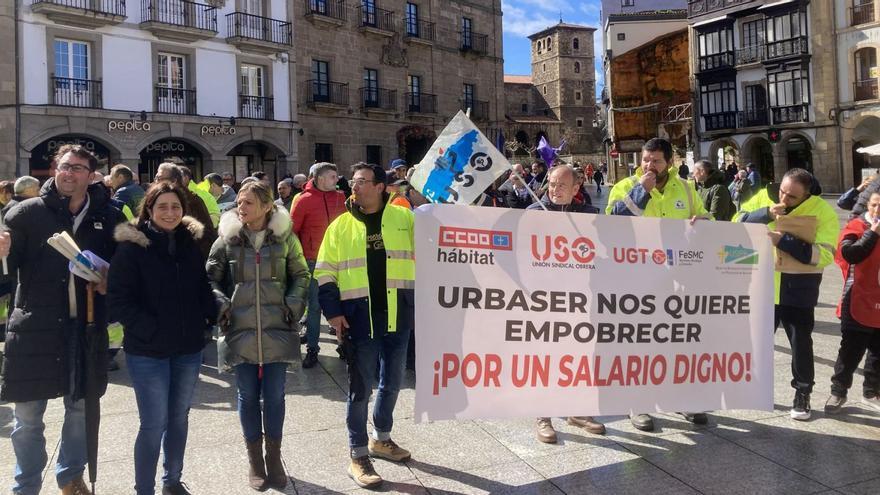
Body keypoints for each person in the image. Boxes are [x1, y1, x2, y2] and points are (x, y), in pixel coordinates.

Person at [2, 144, 125, 494]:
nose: (68, 173)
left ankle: (70, 475)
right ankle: (25, 486)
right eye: (63, 166)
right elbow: (6, 277)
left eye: (77, 168)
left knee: (81, 410)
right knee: (26, 420)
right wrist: (1, 257)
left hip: (85, 327)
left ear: (91, 175)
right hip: (33, 328)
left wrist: (109, 281)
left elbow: (124, 269)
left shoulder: (110, 217)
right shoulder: (24, 214)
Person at [108, 182, 217, 495]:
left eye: (175, 207)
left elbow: (201, 286)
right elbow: (118, 301)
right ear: (150, 210)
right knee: (153, 424)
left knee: (179, 418)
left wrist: (210, 314)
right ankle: (144, 489)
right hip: (148, 351)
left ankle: (172, 480)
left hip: (187, 347)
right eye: (162, 207)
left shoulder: (189, 243)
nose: (170, 213)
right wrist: (149, 328)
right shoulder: (132, 248)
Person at [316, 163, 415, 489]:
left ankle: (381, 438)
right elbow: (325, 272)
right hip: (359, 319)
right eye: (353, 182)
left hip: (398, 315)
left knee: (393, 381)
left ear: (380, 187)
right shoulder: (340, 227)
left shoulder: (405, 219)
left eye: (361, 182)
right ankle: (358, 455)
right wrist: (332, 313)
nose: (354, 188)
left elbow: (432, 255)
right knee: (361, 390)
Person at [207, 181, 310, 491]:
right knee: (248, 396)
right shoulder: (226, 240)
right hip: (239, 329)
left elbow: (302, 275)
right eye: (239, 201)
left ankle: (274, 457)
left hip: (277, 326)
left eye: (249, 202)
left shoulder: (285, 239)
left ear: (267, 206)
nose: (242, 207)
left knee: (276, 396)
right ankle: (255, 460)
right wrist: (221, 304)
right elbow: (209, 279)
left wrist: (292, 304)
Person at [607, 138, 709, 431]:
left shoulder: (687, 190)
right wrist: (643, 191)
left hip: (678, 280)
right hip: (638, 280)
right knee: (639, 345)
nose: (649, 166)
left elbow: (708, 220)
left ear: (670, 163)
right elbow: (611, 225)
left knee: (678, 342)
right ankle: (638, 403)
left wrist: (702, 221)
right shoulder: (625, 187)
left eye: (656, 161)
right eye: (646, 160)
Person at [736, 168, 839, 420]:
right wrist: (764, 213)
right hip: (762, 284)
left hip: (799, 287)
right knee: (756, 342)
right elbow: (736, 221)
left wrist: (783, 241)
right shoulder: (764, 196)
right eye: (782, 191)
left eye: (792, 196)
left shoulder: (823, 211)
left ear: (806, 195)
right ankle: (752, 388)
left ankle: (802, 394)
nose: (783, 199)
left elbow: (825, 254)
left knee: (800, 343)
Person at [524, 165, 605, 440]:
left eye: (561, 185)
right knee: (544, 358)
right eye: (551, 184)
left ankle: (577, 410)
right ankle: (543, 415)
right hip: (543, 301)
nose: (554, 190)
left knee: (579, 356)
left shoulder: (589, 216)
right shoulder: (534, 213)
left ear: (575, 188)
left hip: (580, 300)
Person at [826, 191, 880, 414]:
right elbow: (850, 254)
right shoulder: (857, 227)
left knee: (878, 352)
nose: (878, 210)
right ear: (868, 206)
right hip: (857, 298)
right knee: (850, 351)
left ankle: (871, 391)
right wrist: (873, 234)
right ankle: (838, 391)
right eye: (875, 205)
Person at [290, 162, 346, 369]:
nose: (337, 179)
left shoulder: (341, 198)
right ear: (320, 178)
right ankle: (312, 348)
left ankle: (343, 344)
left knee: (341, 306)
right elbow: (292, 232)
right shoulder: (303, 200)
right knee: (314, 307)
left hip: (339, 260)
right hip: (313, 261)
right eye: (333, 176)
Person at [155, 163, 217, 258]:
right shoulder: (154, 199)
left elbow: (207, 233)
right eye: (156, 178)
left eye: (159, 178)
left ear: (174, 181)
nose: (156, 182)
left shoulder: (192, 201)